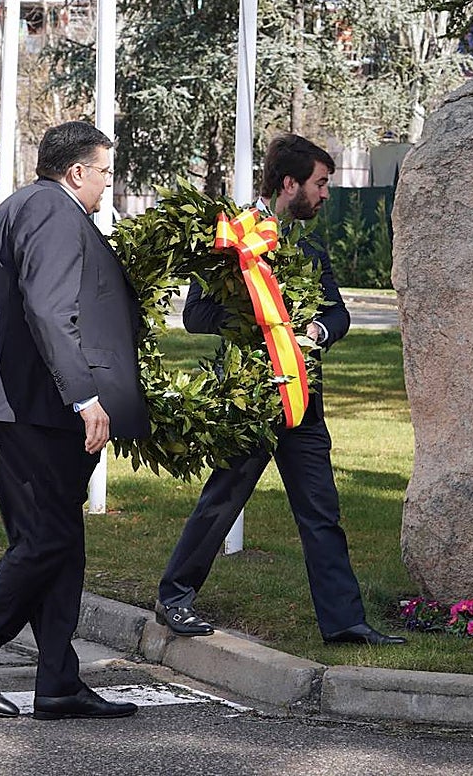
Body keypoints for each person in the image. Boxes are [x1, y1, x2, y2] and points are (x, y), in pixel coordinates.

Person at [0, 121, 151, 719]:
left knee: (61, 543)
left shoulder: (30, 205)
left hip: (23, 401)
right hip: (25, 404)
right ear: (77, 171)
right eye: (105, 171)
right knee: (47, 538)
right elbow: (51, 311)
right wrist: (86, 398)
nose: (109, 183)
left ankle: (57, 682)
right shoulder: (52, 210)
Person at [155, 133, 404, 646]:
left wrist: (313, 332)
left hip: (303, 399)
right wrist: (261, 321)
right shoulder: (234, 239)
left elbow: (339, 313)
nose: (325, 193)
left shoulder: (309, 245)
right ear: (289, 183)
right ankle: (174, 598)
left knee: (322, 511)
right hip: (252, 398)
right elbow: (196, 314)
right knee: (222, 502)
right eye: (320, 183)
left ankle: (345, 622)